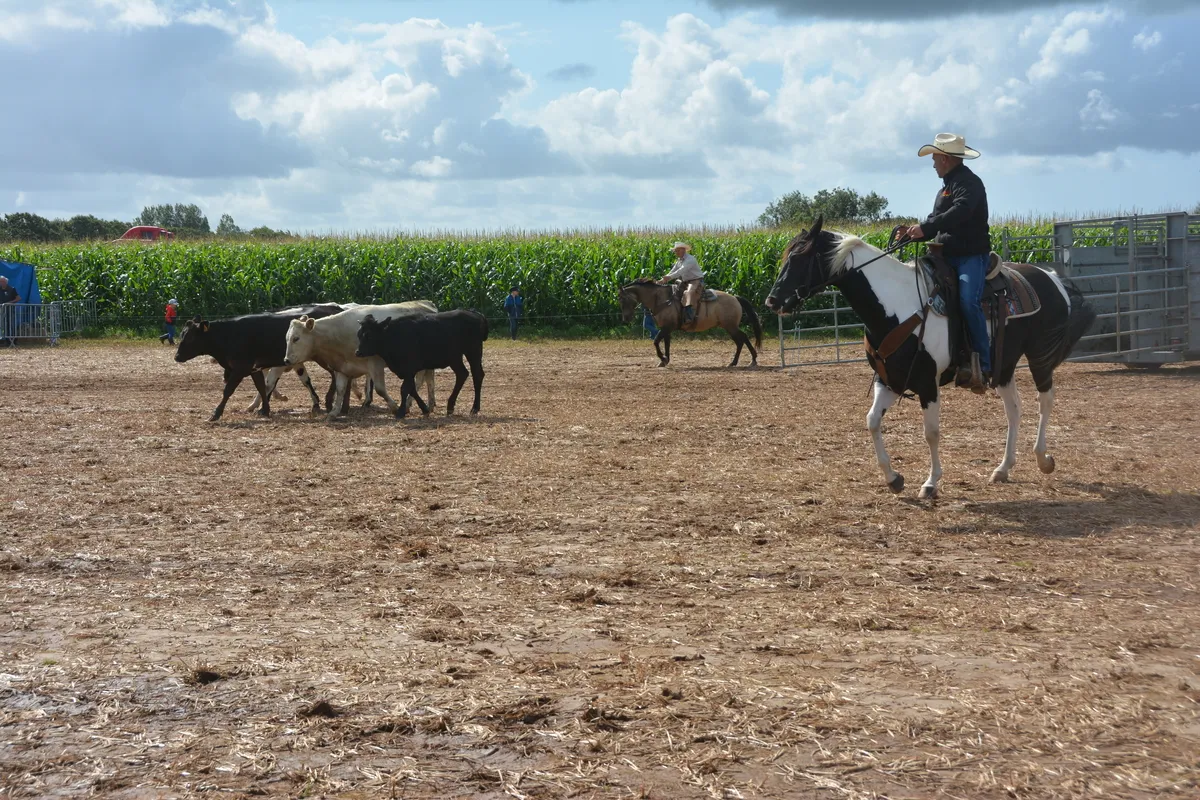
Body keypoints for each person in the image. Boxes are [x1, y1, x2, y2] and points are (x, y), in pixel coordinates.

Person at [902, 132, 992, 391]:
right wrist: (915, 232)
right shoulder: (947, 187)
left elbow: (960, 212)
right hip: (945, 255)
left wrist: (926, 227)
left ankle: (984, 365)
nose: (932, 164)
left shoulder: (970, 183)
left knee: (968, 301)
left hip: (970, 257)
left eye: (934, 158)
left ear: (944, 158)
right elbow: (938, 219)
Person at [658, 241, 704, 325]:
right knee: (673, 293)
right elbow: (673, 270)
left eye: (677, 250)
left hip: (696, 281)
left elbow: (681, 270)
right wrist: (663, 280)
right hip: (685, 281)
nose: (676, 253)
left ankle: (690, 316)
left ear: (683, 250)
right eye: (675, 251)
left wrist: (669, 277)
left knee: (688, 293)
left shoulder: (690, 259)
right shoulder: (679, 260)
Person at [0, 275, 20, 347]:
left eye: (3, 281)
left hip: (9, 310)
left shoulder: (11, 289)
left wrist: (9, 303)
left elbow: (18, 298)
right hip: (1, 310)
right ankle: (6, 340)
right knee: (3, 326)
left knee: (10, 325)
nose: (2, 283)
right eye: (1, 281)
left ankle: (13, 341)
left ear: (6, 282)